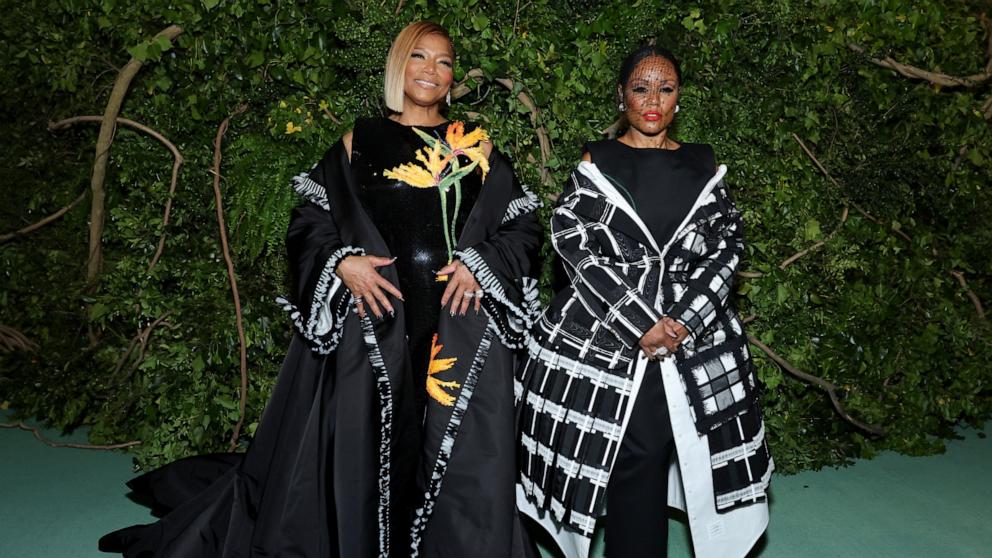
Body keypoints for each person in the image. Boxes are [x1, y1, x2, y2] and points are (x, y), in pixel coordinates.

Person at [99, 20, 542, 558]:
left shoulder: (477, 147)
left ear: (453, 77)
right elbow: (310, 221)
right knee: (375, 449)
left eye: (443, 61)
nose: (431, 70)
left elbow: (521, 224)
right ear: (398, 67)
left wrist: (481, 263)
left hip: (457, 324)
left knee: (448, 447)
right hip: (377, 322)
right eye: (419, 57)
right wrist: (343, 263)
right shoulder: (360, 141)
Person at [515, 45, 772, 558]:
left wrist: (681, 321)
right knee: (634, 458)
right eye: (640, 87)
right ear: (621, 95)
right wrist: (640, 323)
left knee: (673, 453)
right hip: (609, 341)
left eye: (666, 88)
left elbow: (727, 248)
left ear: (680, 97)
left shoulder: (703, 162)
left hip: (691, 343)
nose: (653, 100)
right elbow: (575, 244)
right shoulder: (598, 160)